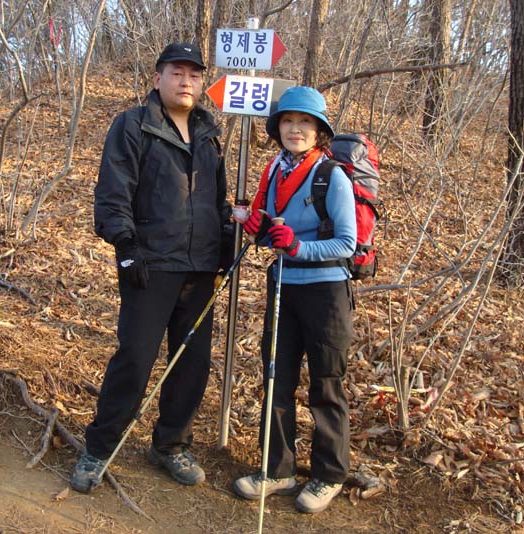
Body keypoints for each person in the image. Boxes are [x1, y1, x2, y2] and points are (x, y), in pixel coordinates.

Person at [70, 43, 231, 493]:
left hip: (200, 268)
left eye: (194, 75)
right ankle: (99, 448)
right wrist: (125, 245)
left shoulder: (208, 133)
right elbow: (113, 191)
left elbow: (216, 201)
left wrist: (226, 238)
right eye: (177, 73)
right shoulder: (134, 124)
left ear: (201, 83)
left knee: (192, 362)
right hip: (150, 264)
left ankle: (171, 445)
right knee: (136, 359)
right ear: (158, 77)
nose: (186, 82)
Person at [232, 86, 356, 514]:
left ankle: (328, 475)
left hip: (325, 291)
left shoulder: (331, 176)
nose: (296, 129)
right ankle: (277, 469)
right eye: (288, 121)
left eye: (305, 123)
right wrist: (256, 228)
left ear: (319, 131)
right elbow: (272, 229)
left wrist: (299, 248)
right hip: (284, 284)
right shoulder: (274, 171)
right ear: (278, 128)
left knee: (326, 384)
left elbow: (347, 243)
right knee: (276, 378)